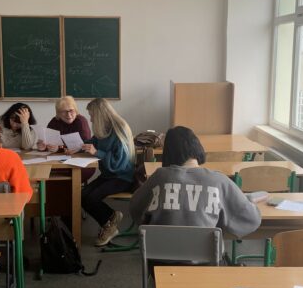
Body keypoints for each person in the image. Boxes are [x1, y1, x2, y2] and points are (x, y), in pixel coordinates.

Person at [130, 126, 261, 237]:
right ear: (197, 146)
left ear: (167, 153)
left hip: (158, 257)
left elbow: (135, 209)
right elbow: (252, 219)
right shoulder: (219, 181)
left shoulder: (159, 177)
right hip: (205, 258)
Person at [80, 98, 135, 246]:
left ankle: (109, 225)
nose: (91, 119)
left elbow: (118, 164)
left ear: (99, 115)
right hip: (108, 176)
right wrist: (79, 146)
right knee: (82, 195)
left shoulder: (120, 129)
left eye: (92, 115)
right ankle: (111, 218)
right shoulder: (102, 129)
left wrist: (96, 152)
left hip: (122, 177)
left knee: (91, 198)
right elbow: (93, 142)